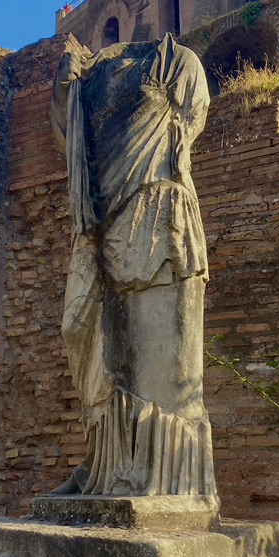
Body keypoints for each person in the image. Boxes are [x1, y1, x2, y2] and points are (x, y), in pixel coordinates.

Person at [50, 35, 216, 497]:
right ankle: (103, 464)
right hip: (99, 218)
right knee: (79, 328)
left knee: (160, 359)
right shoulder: (88, 76)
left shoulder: (176, 62)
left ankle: (163, 480)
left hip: (156, 212)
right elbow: (70, 141)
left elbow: (186, 126)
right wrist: (65, 90)